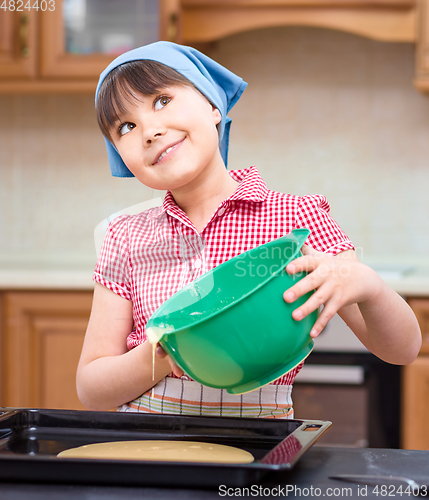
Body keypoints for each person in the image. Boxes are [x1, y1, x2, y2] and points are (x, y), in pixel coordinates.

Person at [76, 41, 421, 417]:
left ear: (212, 106)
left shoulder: (299, 219)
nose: (149, 131)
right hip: (151, 450)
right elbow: (92, 389)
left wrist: (366, 283)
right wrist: (159, 355)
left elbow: (401, 351)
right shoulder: (126, 238)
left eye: (161, 100)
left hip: (260, 448)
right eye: (126, 126)